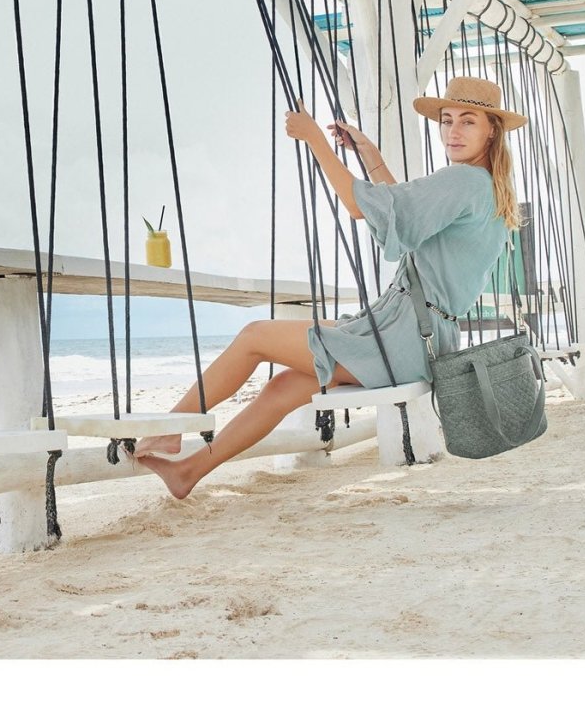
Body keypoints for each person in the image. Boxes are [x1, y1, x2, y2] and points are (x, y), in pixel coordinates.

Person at [134, 75, 527, 498]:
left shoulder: (461, 181)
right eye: (447, 120)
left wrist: (313, 140)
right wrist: (368, 152)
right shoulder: (486, 187)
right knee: (283, 386)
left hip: (402, 337)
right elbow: (400, 212)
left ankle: (169, 430)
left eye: (468, 121)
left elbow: (363, 207)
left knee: (254, 337)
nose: (452, 131)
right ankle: (188, 471)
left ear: (492, 130)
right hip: (419, 339)